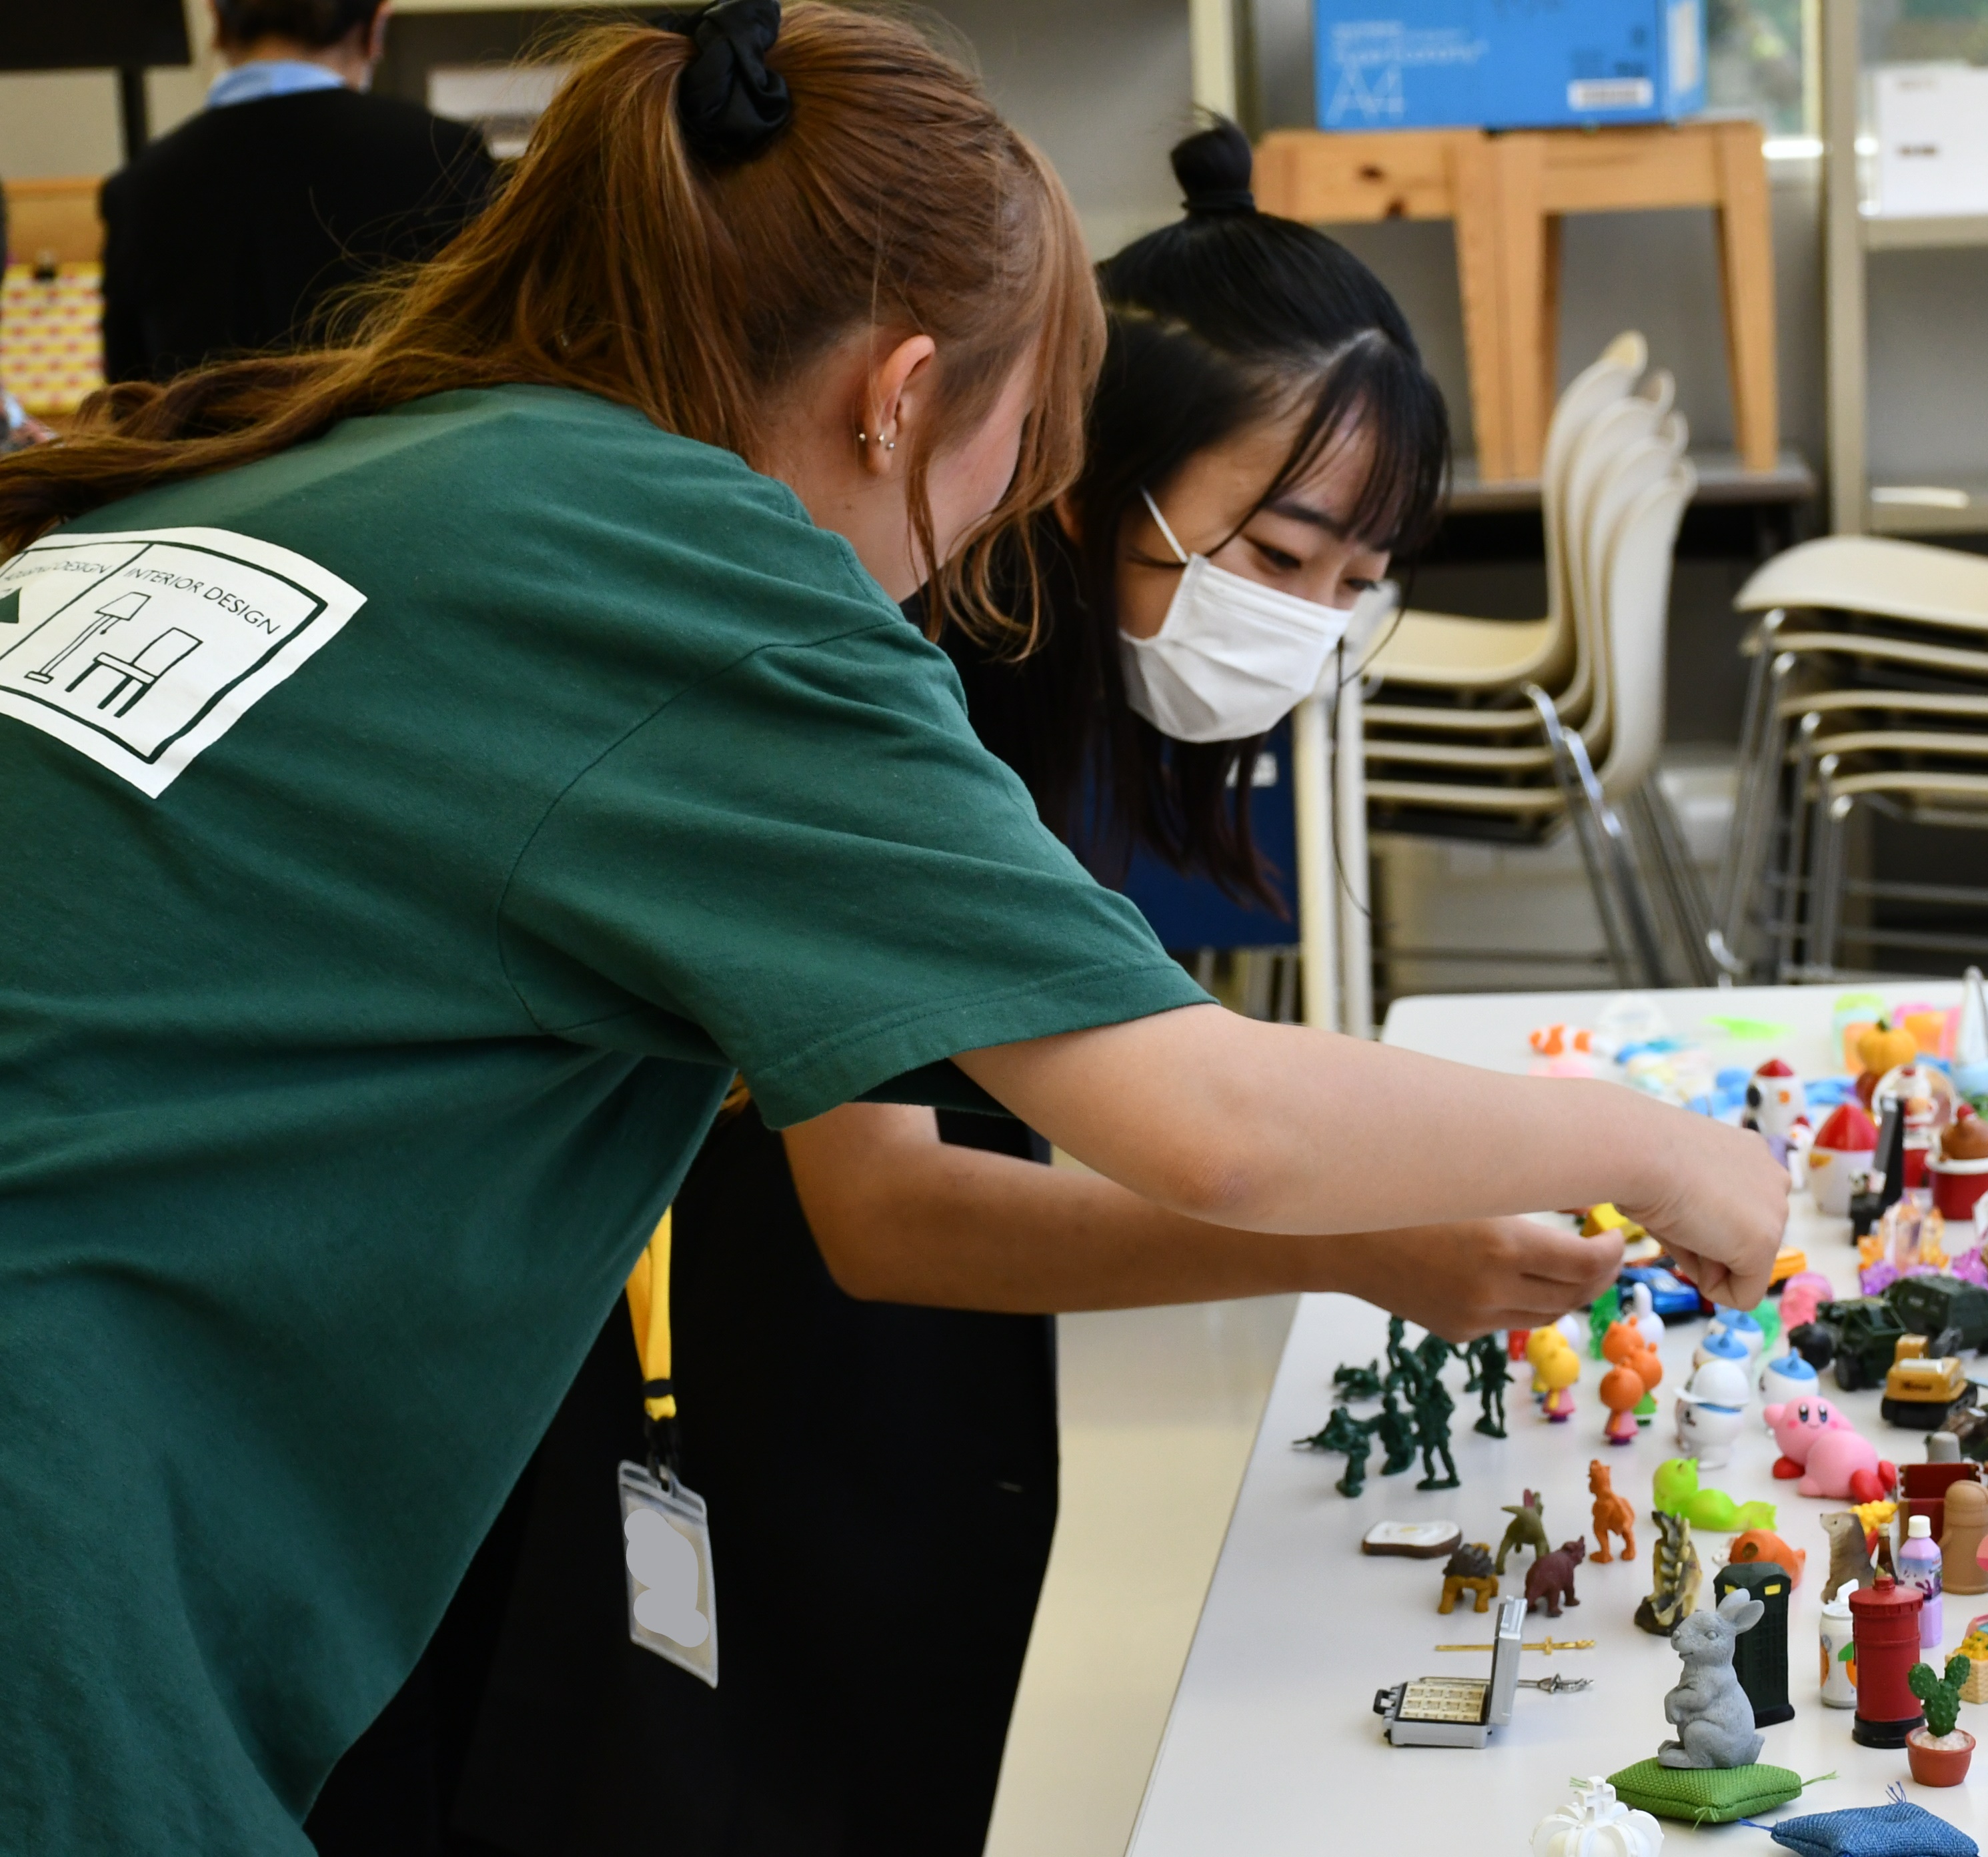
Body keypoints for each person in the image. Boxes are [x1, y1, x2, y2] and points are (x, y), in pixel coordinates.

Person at [0, 10, 1786, 1856]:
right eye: (1031, 440)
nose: (1011, 512)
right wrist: (1656, 1146)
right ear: (905, 390)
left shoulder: (369, 459)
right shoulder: (688, 571)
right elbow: (1209, 1122)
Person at [309, 116, 1574, 1857]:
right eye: (1279, 559)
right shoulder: (894, 686)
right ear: (1082, 465)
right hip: (718, 1401)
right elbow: (900, 1210)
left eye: (1358, 585)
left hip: (850, 1419)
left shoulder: (1052, 679)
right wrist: (1369, 1232)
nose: (1309, 624)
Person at [99, 0, 496, 382]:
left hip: (215, 434)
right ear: (375, 30)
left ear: (217, 25)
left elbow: (130, 394)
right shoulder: (443, 155)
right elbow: (496, 349)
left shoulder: (137, 192)